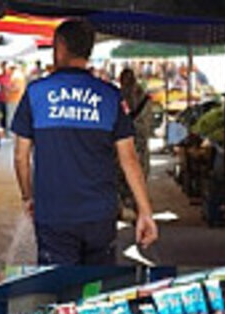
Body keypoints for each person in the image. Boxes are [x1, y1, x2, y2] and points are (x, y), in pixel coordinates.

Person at [11, 19, 158, 265]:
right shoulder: (110, 95)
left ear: (59, 47)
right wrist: (145, 211)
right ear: (88, 51)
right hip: (100, 215)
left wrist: (28, 196)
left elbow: (20, 156)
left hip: (54, 214)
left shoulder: (36, 93)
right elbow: (129, 159)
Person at [116, 68, 154, 214]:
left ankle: (129, 206)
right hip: (142, 142)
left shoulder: (121, 97)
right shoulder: (145, 97)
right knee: (139, 173)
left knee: (124, 171)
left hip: (125, 141)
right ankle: (138, 205)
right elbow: (148, 123)